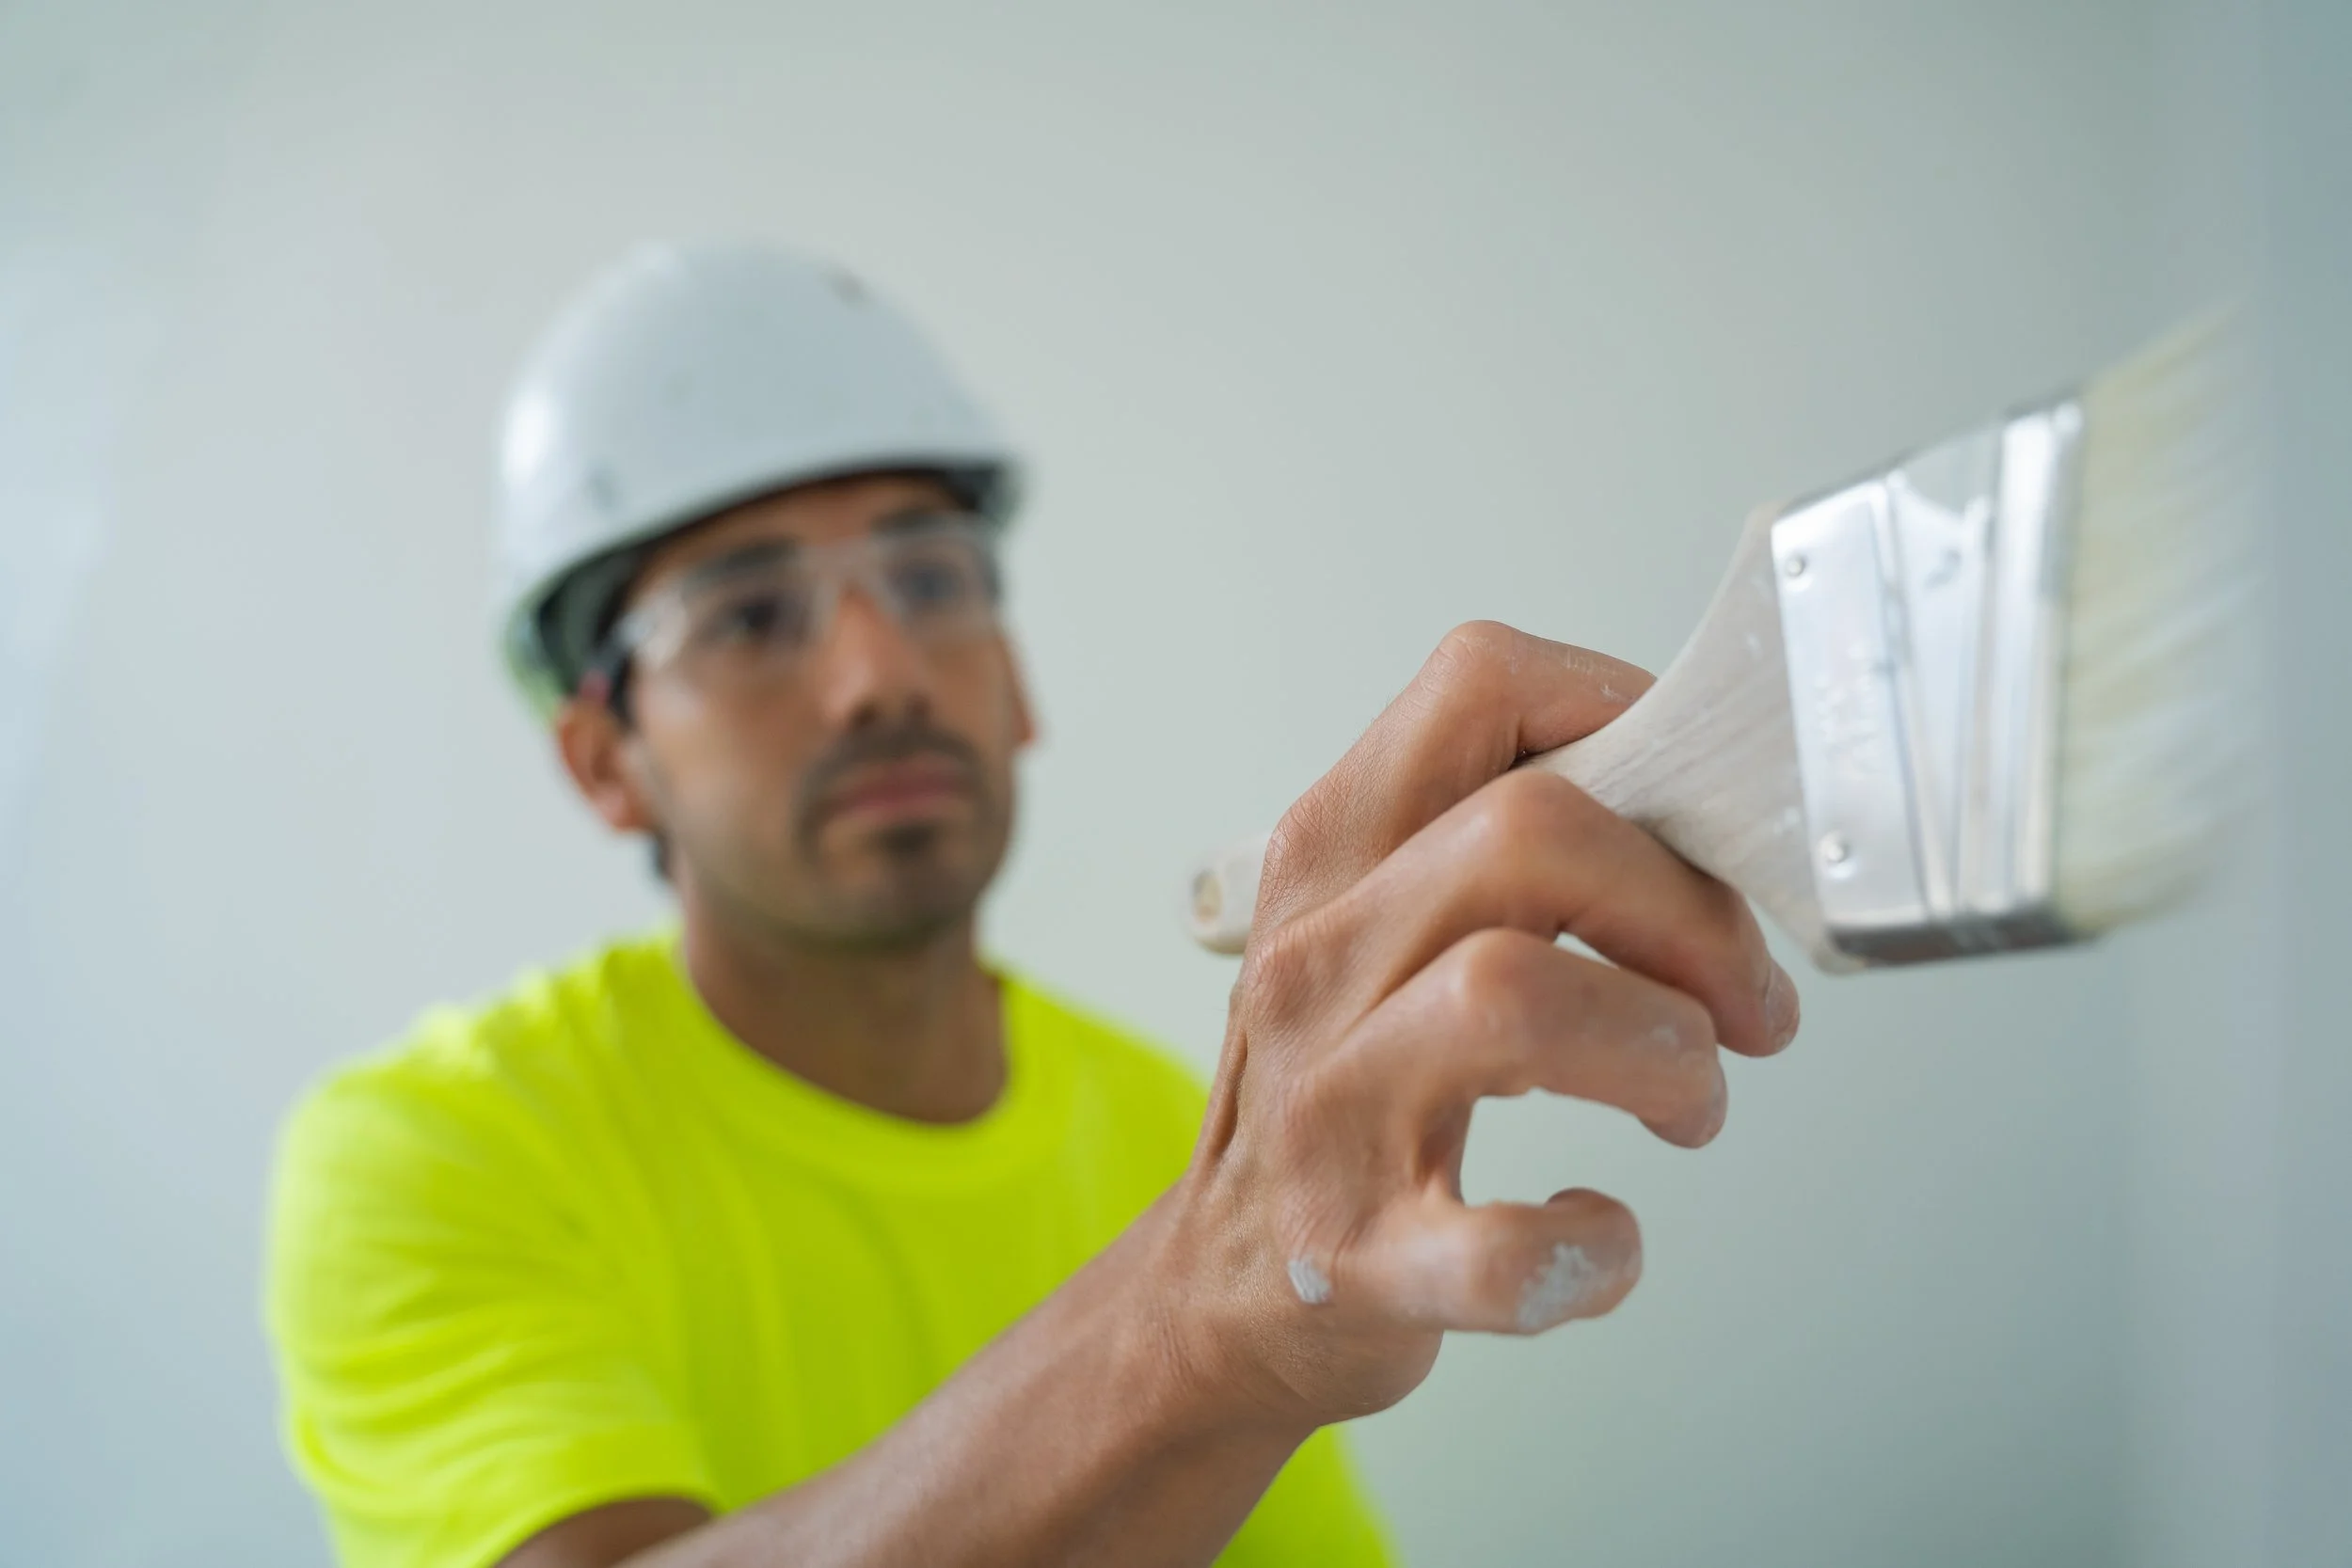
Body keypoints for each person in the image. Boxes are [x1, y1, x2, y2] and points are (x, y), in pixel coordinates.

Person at [264, 241, 1801, 1568]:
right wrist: (1208, 1313)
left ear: (1015, 680)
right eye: (747, 614)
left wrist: (1228, 1263)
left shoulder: (1158, 1123)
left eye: (933, 581)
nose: (880, 672)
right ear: (606, 758)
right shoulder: (435, 1153)